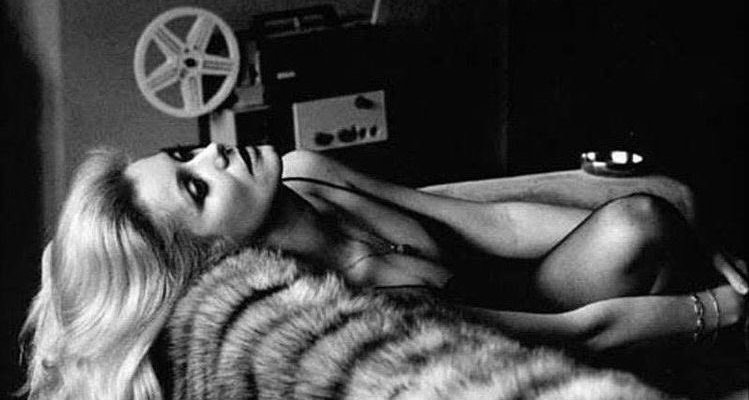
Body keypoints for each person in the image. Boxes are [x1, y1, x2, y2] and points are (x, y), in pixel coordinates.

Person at [21, 143, 746, 400]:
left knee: (640, 218)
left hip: (532, 291)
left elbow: (492, 225)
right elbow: (579, 331)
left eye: (184, 154)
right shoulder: (336, 305)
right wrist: (716, 307)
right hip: (532, 347)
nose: (213, 155)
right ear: (214, 255)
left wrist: (677, 235)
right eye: (197, 188)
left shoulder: (308, 172)